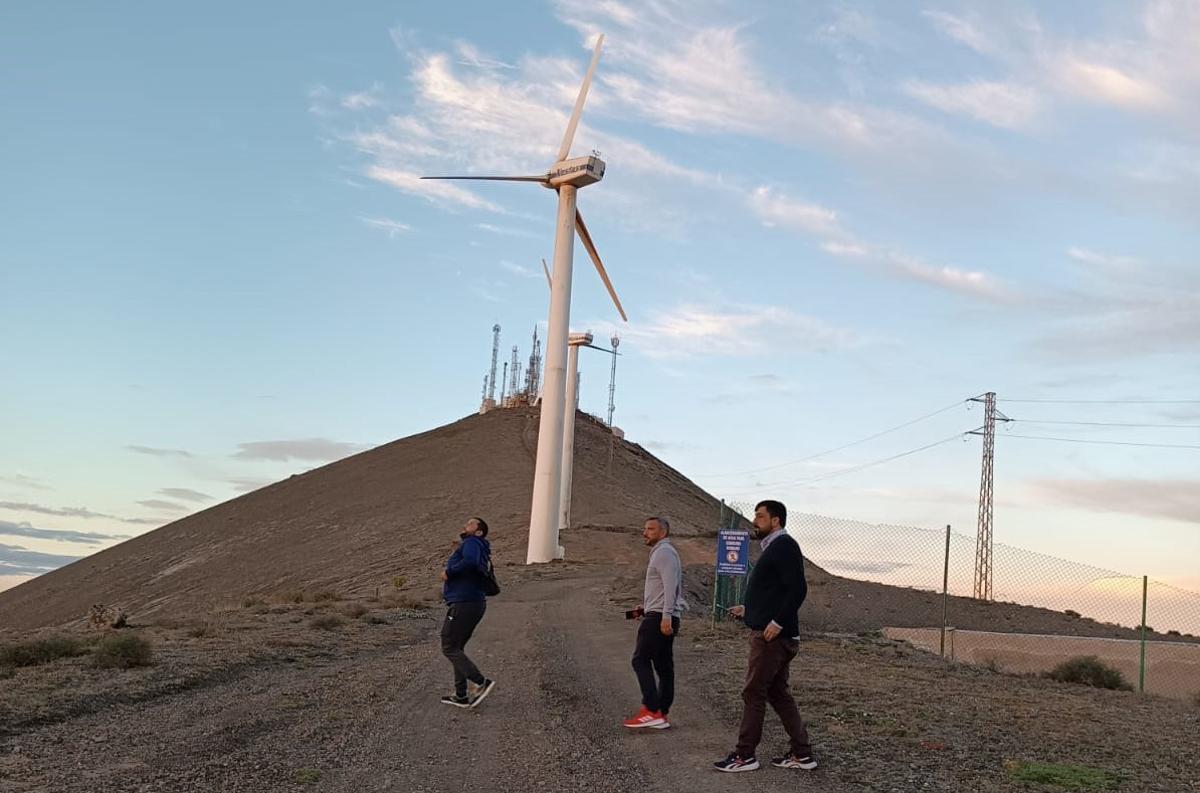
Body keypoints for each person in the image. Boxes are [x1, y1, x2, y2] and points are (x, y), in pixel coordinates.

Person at [713, 500, 817, 773]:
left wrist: (777, 622)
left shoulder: (784, 546)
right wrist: (750, 609)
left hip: (772, 638)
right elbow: (777, 592)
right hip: (774, 633)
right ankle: (802, 753)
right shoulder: (774, 548)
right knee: (777, 693)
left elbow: (797, 590)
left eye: (760, 516)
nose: (754, 520)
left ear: (776, 520)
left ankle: (744, 755)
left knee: (753, 691)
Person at [623, 516, 683, 730]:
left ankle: (651, 709)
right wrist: (646, 607)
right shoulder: (664, 553)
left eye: (650, 529)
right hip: (660, 613)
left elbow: (670, 587)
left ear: (663, 532)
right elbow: (665, 588)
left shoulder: (664, 553)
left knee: (640, 660)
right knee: (664, 666)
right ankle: (661, 713)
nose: (645, 532)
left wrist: (664, 615)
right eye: (645, 528)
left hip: (660, 617)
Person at [438, 517, 496, 709]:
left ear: (479, 531)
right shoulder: (480, 547)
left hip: (464, 602)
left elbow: (469, 562)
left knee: (448, 645)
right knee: (457, 648)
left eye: (472, 523)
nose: (466, 524)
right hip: (473, 603)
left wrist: (449, 572)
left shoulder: (472, 543)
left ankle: (480, 682)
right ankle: (461, 695)